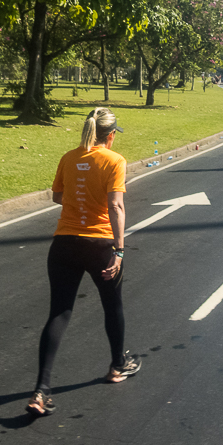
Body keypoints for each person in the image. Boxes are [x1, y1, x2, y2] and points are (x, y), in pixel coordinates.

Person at [28, 107, 138, 416]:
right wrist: (119, 250)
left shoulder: (68, 157)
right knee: (112, 306)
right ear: (111, 135)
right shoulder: (114, 161)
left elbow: (58, 197)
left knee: (59, 313)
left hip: (64, 243)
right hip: (100, 244)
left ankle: (41, 390)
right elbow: (115, 206)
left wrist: (80, 199)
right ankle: (117, 366)